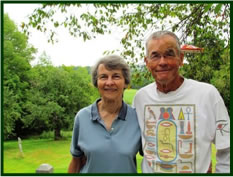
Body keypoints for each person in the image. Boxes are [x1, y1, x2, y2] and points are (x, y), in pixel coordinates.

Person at [133, 31, 230, 173]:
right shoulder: (140, 98)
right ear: (147, 63)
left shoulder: (207, 95)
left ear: (181, 58)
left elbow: (227, 148)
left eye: (169, 54)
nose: (162, 62)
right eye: (155, 56)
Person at [68, 55, 142, 173]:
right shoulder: (82, 118)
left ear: (126, 83)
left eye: (116, 76)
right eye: (103, 77)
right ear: (96, 83)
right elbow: (76, 161)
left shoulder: (137, 117)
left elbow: (151, 158)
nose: (109, 82)